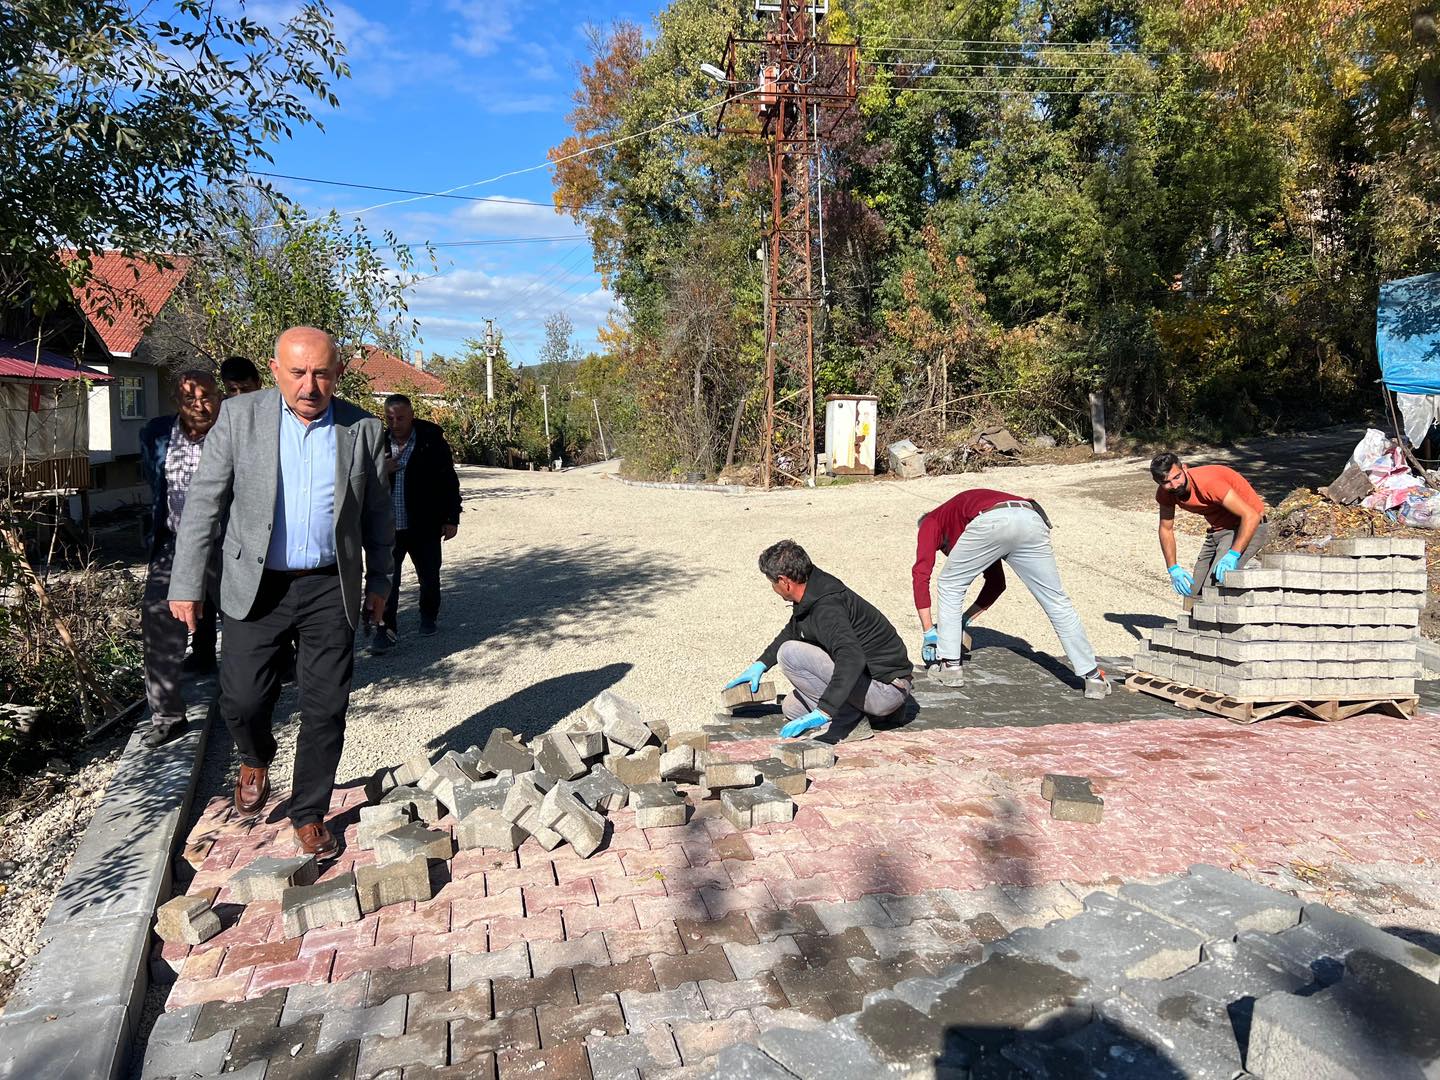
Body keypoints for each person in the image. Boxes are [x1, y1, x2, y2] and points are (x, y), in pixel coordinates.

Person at [169, 327, 393, 857]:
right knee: (243, 699)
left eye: (321, 373)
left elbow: (380, 515)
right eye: (297, 373)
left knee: (325, 705)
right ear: (275, 370)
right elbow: (205, 502)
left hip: (327, 586)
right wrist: (187, 583)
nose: (309, 385)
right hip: (255, 584)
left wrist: (381, 582)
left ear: (337, 374)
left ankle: (309, 811)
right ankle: (254, 755)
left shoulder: (362, 429)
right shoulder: (240, 418)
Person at [915, 488, 1111, 698]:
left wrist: (930, 632)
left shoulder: (930, 520)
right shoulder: (965, 519)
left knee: (949, 584)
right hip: (1030, 518)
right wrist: (963, 621)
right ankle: (1093, 678)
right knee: (1056, 600)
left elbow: (921, 574)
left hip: (992, 520)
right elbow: (996, 584)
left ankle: (950, 668)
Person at [724, 540, 913, 741]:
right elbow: (794, 630)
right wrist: (761, 665)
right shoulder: (811, 588)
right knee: (791, 707)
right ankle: (871, 716)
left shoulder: (827, 608)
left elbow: (852, 658)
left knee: (789, 653)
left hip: (886, 688)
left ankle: (851, 722)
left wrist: (825, 711)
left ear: (784, 581)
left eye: (772, 583)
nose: (773, 588)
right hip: (871, 685)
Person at [137, 371, 222, 747]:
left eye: (207, 397)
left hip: (228, 544)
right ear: (177, 402)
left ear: (219, 397)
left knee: (242, 622)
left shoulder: (233, 432)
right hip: (174, 542)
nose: (200, 406)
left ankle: (246, 703)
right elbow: (155, 484)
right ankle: (168, 715)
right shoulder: (155, 433)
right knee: (158, 620)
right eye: (190, 399)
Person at [371, 394, 461, 654]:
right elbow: (359, 481)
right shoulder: (377, 444)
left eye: (400, 418)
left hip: (424, 526)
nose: (395, 423)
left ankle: (428, 616)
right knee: (386, 581)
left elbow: (448, 481)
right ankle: (385, 630)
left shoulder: (431, 442)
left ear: (411, 416)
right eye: (390, 418)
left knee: (429, 577)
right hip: (387, 529)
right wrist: (380, 470)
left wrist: (451, 518)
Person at [1151, 453, 1268, 600]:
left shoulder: (1209, 483)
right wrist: (1173, 568)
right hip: (1218, 531)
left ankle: (1237, 616)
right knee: (1193, 593)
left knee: (1213, 591)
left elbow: (1251, 516)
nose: (1175, 485)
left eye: (1177, 477)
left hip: (1249, 526)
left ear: (1185, 468)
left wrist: (1233, 555)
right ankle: (1200, 623)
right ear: (1159, 483)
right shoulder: (1165, 493)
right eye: (1167, 482)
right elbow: (1166, 528)